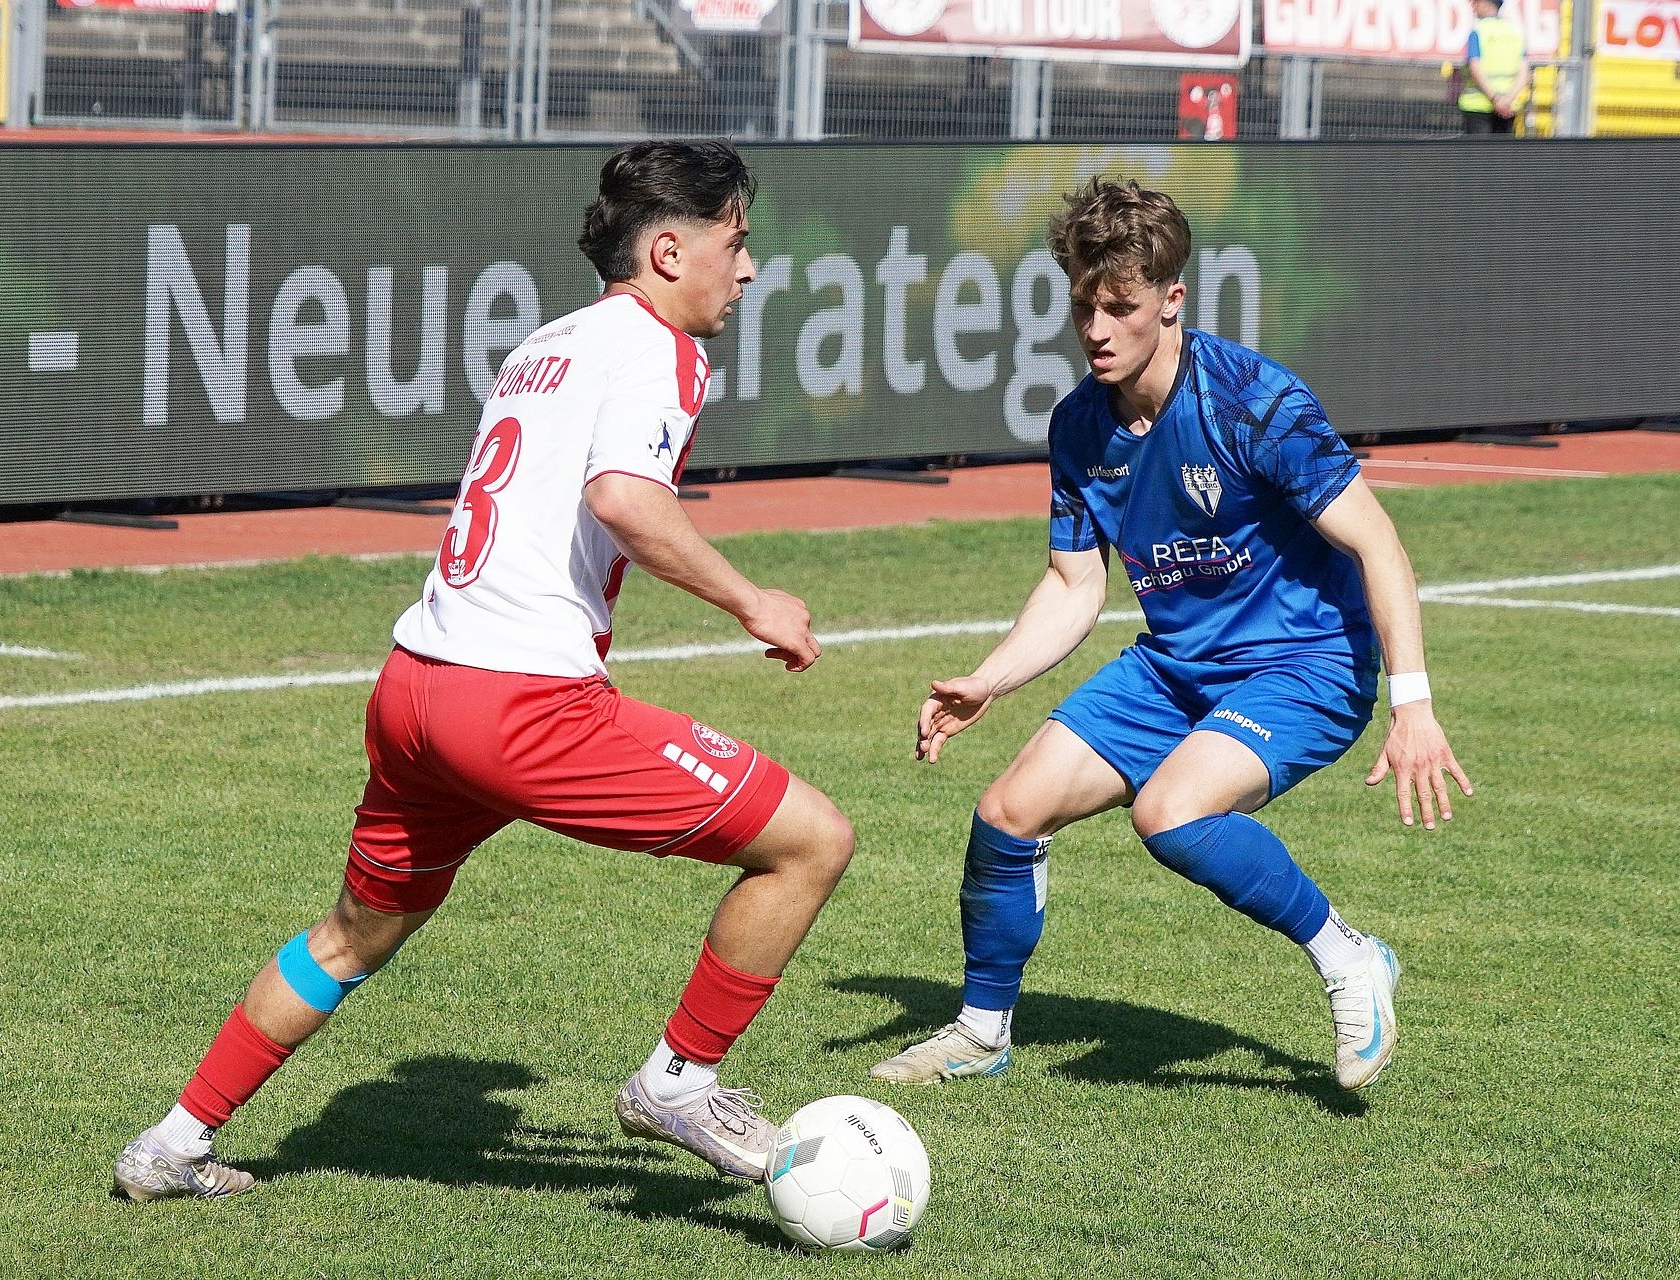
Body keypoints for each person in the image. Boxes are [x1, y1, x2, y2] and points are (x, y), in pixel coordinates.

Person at [114, 139, 856, 1201]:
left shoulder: (545, 344)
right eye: (735, 243)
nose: (746, 269)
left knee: (353, 933)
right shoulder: (660, 349)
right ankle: (680, 1081)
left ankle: (171, 1141)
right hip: (519, 705)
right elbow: (623, 499)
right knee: (812, 841)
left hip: (416, 684)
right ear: (667, 250)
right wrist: (754, 601)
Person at [869, 178, 1470, 1093]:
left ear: (1172, 299)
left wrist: (1412, 704)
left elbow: (1378, 543)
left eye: (1121, 307)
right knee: (1007, 813)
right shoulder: (1079, 425)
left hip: (1305, 665)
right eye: (1084, 306)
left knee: (1171, 812)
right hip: (1176, 667)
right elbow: (1074, 584)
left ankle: (1351, 958)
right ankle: (982, 1033)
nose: (1097, 329)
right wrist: (989, 679)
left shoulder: (1252, 400)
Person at [1457, 0, 1530, 135]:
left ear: (1486, 3)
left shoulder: (1478, 32)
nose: (1473, 6)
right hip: (1508, 106)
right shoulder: (1516, 32)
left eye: (1476, 2)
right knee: (1502, 148)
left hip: (1478, 105)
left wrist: (1495, 99)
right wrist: (1507, 100)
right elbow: (1524, 72)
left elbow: (1475, 68)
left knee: (1477, 148)